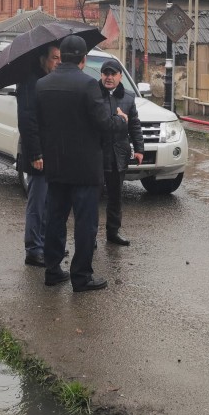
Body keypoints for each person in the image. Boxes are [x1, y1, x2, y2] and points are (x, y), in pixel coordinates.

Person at [35, 35, 127, 292]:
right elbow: (104, 125)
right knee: (85, 223)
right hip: (85, 168)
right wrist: (120, 119)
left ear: (61, 56)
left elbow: (40, 124)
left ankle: (52, 270)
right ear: (83, 59)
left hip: (55, 164)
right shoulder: (88, 85)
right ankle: (81, 276)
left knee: (55, 219)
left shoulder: (42, 84)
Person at [17, 42, 61, 267]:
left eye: (60, 58)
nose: (58, 62)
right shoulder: (29, 82)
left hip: (50, 152)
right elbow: (27, 120)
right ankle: (34, 249)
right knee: (37, 203)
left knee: (48, 203)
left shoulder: (46, 81)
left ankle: (44, 243)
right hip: (38, 154)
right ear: (42, 59)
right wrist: (35, 154)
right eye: (54, 58)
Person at [98, 61, 143, 246]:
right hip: (97, 154)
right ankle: (89, 234)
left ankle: (113, 232)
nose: (109, 77)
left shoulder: (128, 98)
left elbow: (134, 125)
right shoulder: (93, 94)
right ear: (101, 75)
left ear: (120, 76)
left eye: (113, 74)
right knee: (92, 197)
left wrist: (139, 148)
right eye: (105, 73)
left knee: (116, 196)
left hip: (118, 154)